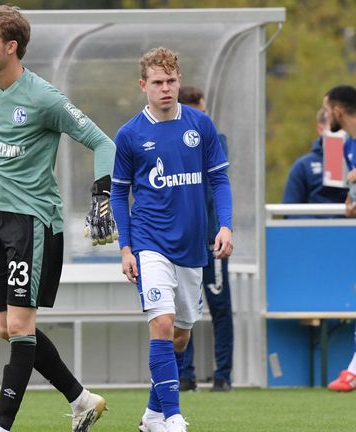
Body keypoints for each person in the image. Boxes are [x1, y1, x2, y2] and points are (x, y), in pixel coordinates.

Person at [0, 6, 118, 432]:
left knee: (20, 326)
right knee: (6, 330)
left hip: (35, 223)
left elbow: (104, 143)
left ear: (11, 47)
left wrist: (101, 194)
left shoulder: (44, 98)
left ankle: (1, 427)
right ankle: (82, 400)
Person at [109, 47, 233, 432]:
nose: (165, 89)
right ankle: (174, 417)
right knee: (161, 324)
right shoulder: (130, 135)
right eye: (157, 83)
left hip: (193, 247)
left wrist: (225, 225)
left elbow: (219, 180)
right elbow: (118, 194)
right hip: (150, 243)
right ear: (143, 85)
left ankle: (151, 416)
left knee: (180, 335)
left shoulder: (201, 126)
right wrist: (126, 247)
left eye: (171, 81)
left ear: (179, 82)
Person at [176, 86, 234, 392]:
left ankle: (223, 374)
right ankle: (186, 374)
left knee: (220, 307)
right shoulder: (170, 139)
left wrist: (223, 227)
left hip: (212, 238)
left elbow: (220, 184)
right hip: (185, 241)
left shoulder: (213, 140)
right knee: (186, 307)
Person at [322, 84, 356, 391]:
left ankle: (352, 370)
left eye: (326, 107)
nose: (324, 114)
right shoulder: (344, 146)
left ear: (338, 109)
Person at [282, 108, 348, 206]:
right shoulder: (303, 166)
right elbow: (290, 209)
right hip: (313, 220)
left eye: (345, 125)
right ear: (321, 129)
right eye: (335, 126)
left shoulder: (353, 162)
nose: (342, 131)